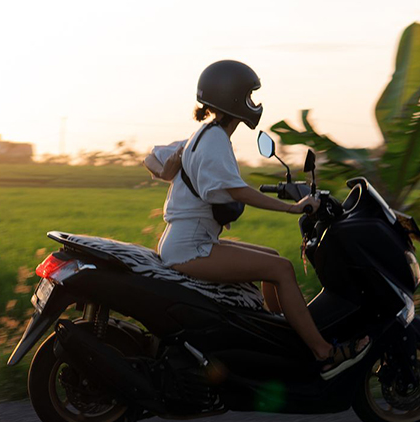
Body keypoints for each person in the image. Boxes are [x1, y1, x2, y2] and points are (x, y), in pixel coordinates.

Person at [143, 60, 369, 380]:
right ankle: (323, 353)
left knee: (273, 260)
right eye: (249, 96)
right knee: (282, 269)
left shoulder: (204, 135)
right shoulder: (214, 139)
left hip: (188, 241)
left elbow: (152, 158)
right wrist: (292, 208)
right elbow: (237, 191)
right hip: (190, 249)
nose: (253, 103)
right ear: (232, 98)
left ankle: (278, 338)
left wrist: (169, 169)